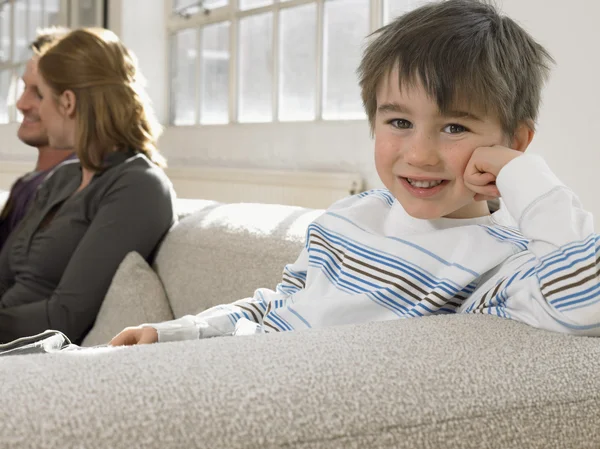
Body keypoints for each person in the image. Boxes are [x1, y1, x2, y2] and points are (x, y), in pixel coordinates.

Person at [112, 0, 600, 347]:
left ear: (513, 142)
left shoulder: (499, 263)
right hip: (233, 366)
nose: (420, 153)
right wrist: (181, 332)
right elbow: (282, 305)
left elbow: (585, 300)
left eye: (454, 126)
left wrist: (525, 178)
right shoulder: (351, 216)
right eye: (399, 122)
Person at [0, 28, 176, 344]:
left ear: (67, 102)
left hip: (29, 356)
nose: (37, 109)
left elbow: (64, 316)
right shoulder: (63, 177)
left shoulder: (137, 186)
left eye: (42, 95)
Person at [0, 28, 74, 253]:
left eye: (40, 93)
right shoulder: (28, 184)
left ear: (71, 102)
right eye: (24, 88)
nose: (21, 104)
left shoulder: (71, 184)